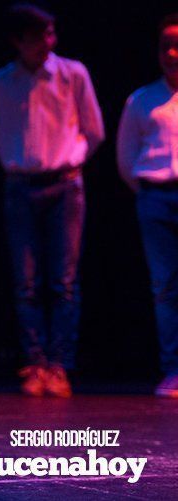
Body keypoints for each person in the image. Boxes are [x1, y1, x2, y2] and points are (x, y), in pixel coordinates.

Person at [0, 4, 104, 397]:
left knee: (64, 281)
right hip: (20, 186)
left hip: (65, 186)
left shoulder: (72, 74)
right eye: (38, 37)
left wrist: (68, 164)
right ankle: (35, 363)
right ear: (18, 41)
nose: (47, 44)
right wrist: (20, 164)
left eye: (51, 34)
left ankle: (59, 365)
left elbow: (94, 130)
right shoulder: (4, 81)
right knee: (26, 282)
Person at [117, 13, 178, 398]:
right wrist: (145, 193)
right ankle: (173, 368)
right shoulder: (142, 99)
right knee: (165, 286)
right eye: (165, 46)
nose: (172, 53)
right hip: (156, 198)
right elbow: (126, 156)